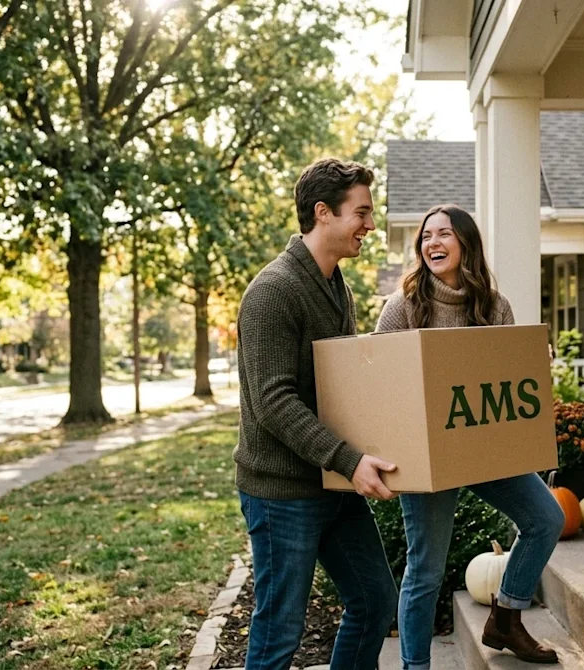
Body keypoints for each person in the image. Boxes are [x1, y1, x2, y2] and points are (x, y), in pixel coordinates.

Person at [376, 204, 565, 668]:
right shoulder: (403, 306)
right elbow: (377, 380)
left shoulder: (494, 306)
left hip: (482, 449)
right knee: (426, 570)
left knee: (547, 518)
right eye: (426, 237)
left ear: (466, 244)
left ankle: (505, 618)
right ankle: (415, 666)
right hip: (426, 457)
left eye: (444, 234)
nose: (433, 243)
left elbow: (505, 386)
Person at [235, 158, 399, 670]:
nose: (371, 226)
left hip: (332, 481)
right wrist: (349, 459)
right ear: (323, 213)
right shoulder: (273, 292)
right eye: (362, 213)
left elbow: (342, 385)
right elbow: (273, 402)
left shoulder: (337, 289)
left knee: (375, 601)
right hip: (282, 490)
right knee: (279, 632)